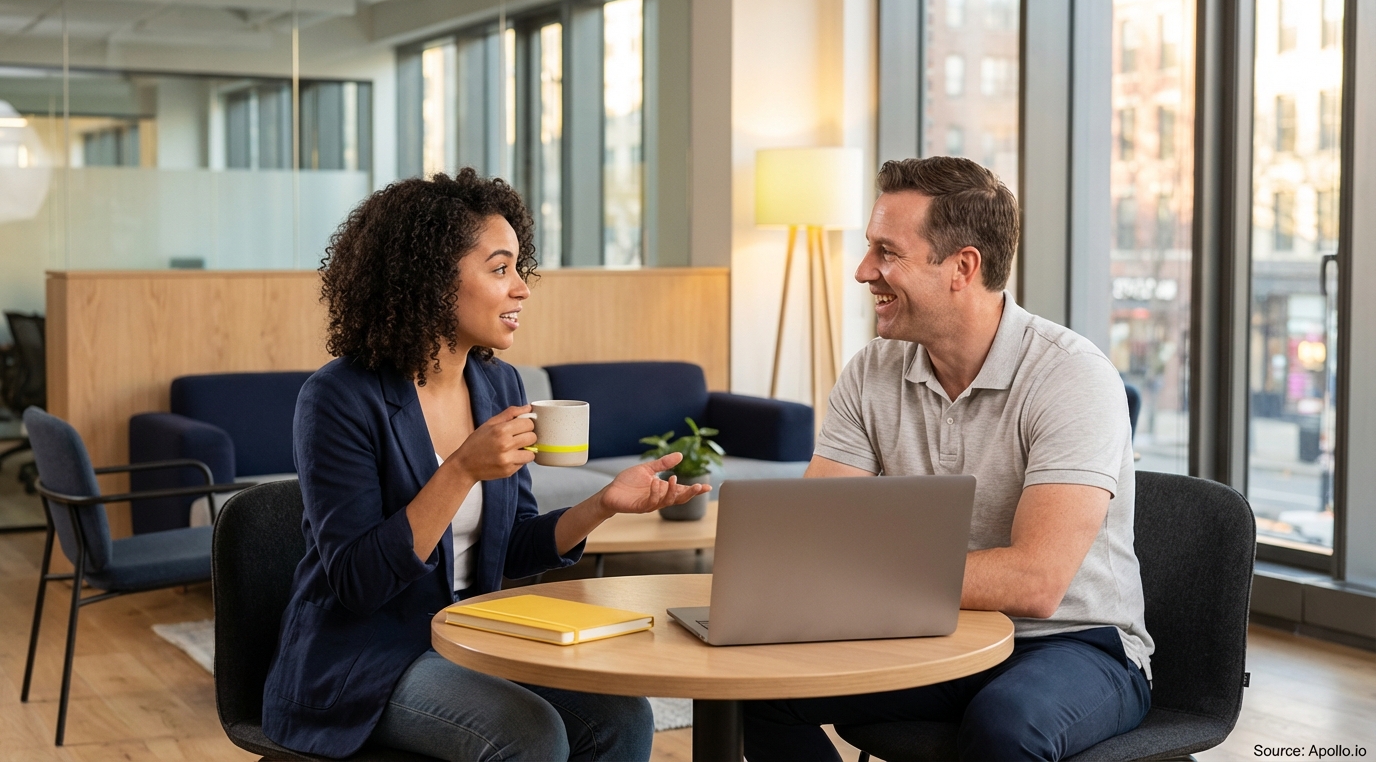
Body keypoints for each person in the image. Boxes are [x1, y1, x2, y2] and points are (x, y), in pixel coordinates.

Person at [261, 168, 710, 761]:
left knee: (622, 716)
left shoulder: (497, 385)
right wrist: (460, 470)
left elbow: (511, 546)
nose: (522, 288)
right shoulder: (339, 398)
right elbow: (358, 581)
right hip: (365, 657)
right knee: (527, 732)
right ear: (430, 282)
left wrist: (601, 506)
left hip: (475, 637)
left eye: (518, 269)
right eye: (500, 270)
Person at [743, 157, 1153, 761]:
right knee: (760, 692)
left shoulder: (1072, 375)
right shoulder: (872, 372)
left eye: (887, 252)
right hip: (936, 633)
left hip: (1074, 643)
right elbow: (814, 538)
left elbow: (1035, 583)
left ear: (963, 267)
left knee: (1007, 723)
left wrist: (859, 580)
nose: (863, 272)